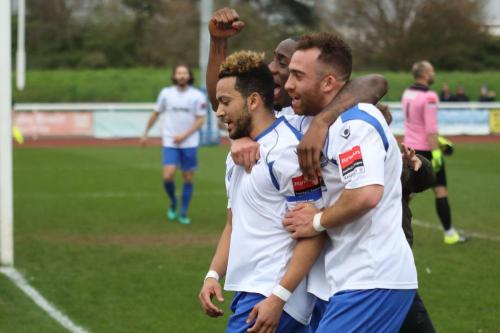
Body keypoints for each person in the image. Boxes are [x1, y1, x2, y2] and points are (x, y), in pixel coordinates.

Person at [282, 32, 418, 332]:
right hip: (340, 279)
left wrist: (316, 221)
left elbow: (365, 195)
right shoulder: (317, 119)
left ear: (329, 83)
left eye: (297, 75)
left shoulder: (356, 123)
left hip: (371, 276)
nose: (288, 84)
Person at [198, 50, 326, 333]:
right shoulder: (236, 154)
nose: (218, 112)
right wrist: (212, 274)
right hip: (250, 289)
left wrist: (279, 297)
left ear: (253, 100)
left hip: (272, 294)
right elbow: (234, 223)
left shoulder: (288, 151)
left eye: (225, 102)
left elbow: (313, 231)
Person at [207, 7, 387, 178]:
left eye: (284, 64)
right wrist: (243, 137)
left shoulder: (350, 120)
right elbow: (223, 99)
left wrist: (320, 122)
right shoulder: (277, 116)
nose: (271, 68)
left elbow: (375, 82)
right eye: (274, 59)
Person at [401, 60, 468, 244]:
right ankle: (450, 234)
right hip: (426, 151)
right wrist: (437, 151)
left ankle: (389, 228)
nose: (434, 73)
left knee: (406, 193)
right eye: (432, 71)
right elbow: (430, 129)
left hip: (409, 149)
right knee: (440, 191)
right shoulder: (429, 97)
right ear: (424, 74)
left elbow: (416, 124)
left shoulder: (408, 93)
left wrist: (440, 140)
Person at [141, 64, 206, 225]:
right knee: (168, 175)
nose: (182, 76)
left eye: (184, 73)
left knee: (187, 177)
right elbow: (156, 113)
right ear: (174, 76)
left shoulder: (197, 95)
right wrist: (145, 133)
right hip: (170, 141)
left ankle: (183, 211)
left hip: (189, 142)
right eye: (179, 73)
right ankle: (173, 202)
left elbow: (200, 119)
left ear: (189, 76)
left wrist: (184, 135)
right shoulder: (166, 93)